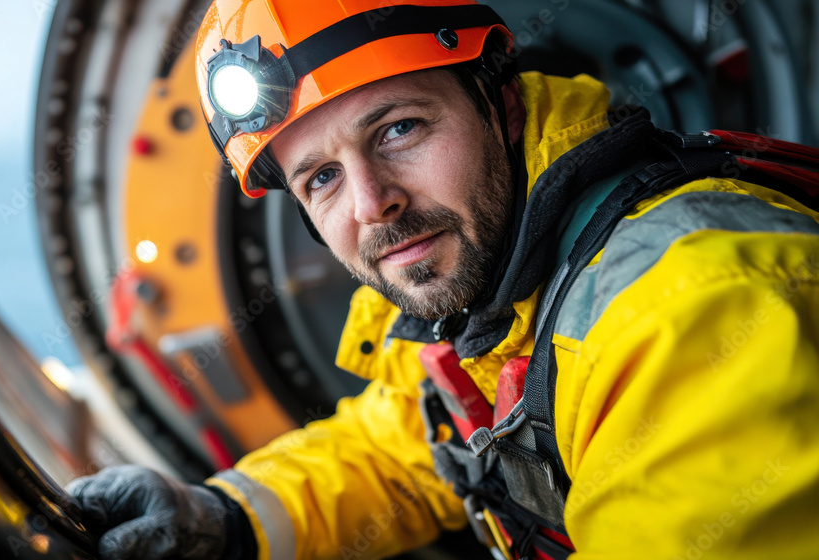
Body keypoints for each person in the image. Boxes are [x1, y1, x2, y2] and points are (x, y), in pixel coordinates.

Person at [67, 1, 819, 558]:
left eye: (399, 129)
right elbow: (411, 443)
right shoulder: (494, 303)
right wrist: (226, 516)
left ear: (504, 103)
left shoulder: (695, 311)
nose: (373, 204)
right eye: (322, 178)